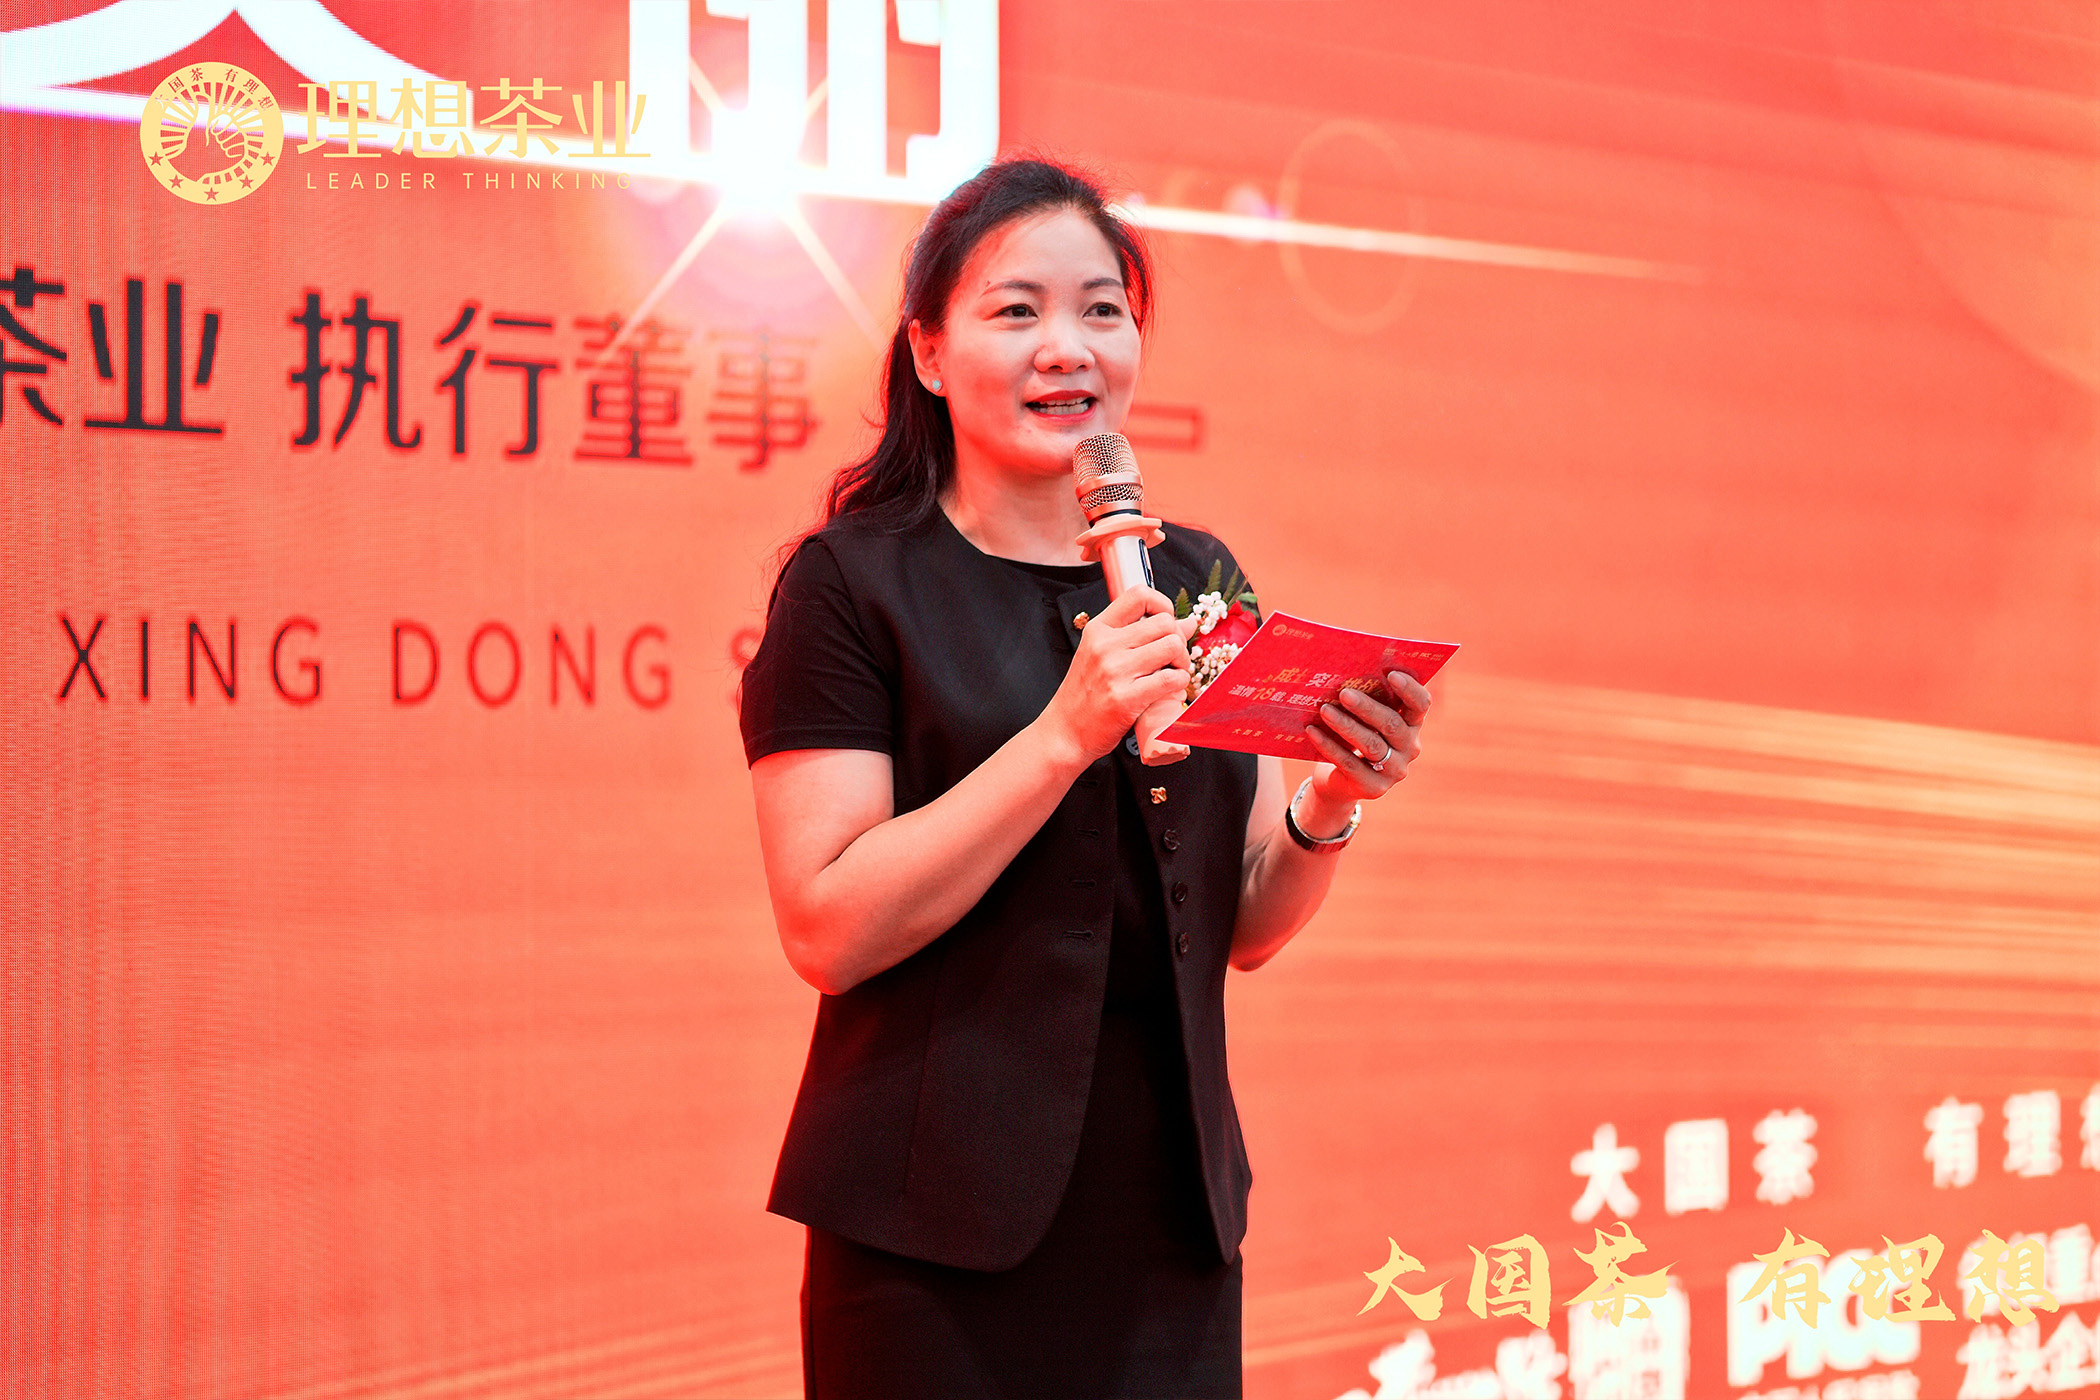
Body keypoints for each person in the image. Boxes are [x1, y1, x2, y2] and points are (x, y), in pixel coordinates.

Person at [737, 155, 1434, 1400]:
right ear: (929, 353)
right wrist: (1066, 731)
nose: (1068, 346)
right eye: (1017, 310)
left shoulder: (1199, 578)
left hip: (1169, 1222)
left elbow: (1242, 926)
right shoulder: (851, 586)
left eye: (1102, 309)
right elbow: (827, 926)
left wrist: (1331, 798)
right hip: (930, 1240)